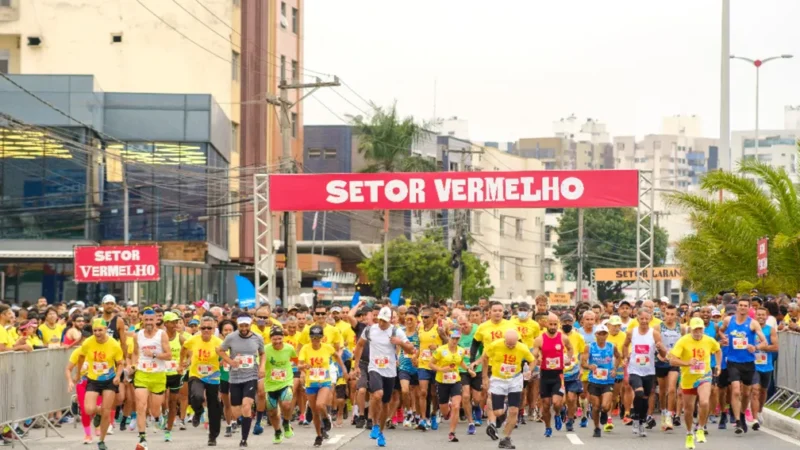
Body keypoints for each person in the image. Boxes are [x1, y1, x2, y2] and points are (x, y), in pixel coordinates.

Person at [352, 306, 414, 447]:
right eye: (380, 320)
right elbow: (359, 345)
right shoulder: (370, 330)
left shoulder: (395, 331)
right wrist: (356, 366)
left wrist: (399, 343)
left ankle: (380, 431)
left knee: (385, 403)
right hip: (374, 368)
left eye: (384, 321)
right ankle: (374, 424)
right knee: (377, 395)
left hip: (390, 371)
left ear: (390, 320)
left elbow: (411, 349)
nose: (381, 323)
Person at [668, 318, 723, 449]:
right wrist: (687, 363)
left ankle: (701, 428)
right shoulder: (683, 341)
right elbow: (672, 360)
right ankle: (689, 433)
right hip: (688, 378)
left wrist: (719, 365)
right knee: (688, 409)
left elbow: (718, 350)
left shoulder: (709, 340)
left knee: (704, 402)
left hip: (704, 375)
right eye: (695, 330)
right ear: (690, 329)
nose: (698, 332)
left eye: (700, 330)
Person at [718, 297, 769, 434]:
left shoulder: (753, 323)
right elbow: (720, 330)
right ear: (737, 307)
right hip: (733, 361)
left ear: (749, 308)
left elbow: (764, 342)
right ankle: (738, 421)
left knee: (746, 393)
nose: (742, 308)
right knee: (735, 390)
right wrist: (723, 337)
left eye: (745, 306)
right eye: (740, 305)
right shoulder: (729, 320)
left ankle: (741, 413)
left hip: (748, 362)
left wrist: (755, 346)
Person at [75, 318, 124, 450]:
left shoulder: (113, 344)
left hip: (109, 380)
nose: (97, 333)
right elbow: (80, 356)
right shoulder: (88, 343)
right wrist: (79, 374)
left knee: (106, 412)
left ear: (106, 330)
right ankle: (98, 412)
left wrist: (118, 376)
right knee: (88, 409)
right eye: (95, 330)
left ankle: (101, 440)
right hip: (93, 379)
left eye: (100, 330)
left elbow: (120, 363)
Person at [217, 314, 265, 447]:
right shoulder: (231, 337)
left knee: (246, 406)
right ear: (238, 325)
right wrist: (230, 361)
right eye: (241, 326)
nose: (244, 328)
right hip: (235, 377)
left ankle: (244, 439)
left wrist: (261, 367)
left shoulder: (257, 337)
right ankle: (246, 416)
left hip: (251, 375)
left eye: (246, 325)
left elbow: (262, 353)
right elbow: (220, 351)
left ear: (250, 325)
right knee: (237, 411)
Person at [481, 329, 534, 449]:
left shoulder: (522, 348)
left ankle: (506, 438)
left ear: (517, 341)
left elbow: (533, 360)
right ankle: (503, 407)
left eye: (513, 344)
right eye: (508, 344)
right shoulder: (495, 345)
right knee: (497, 412)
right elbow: (485, 358)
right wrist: (484, 377)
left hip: (515, 379)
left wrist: (528, 370)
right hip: (498, 379)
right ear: (504, 340)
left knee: (514, 410)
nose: (510, 347)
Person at [298, 325, 347, 447]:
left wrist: (344, 370)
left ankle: (325, 417)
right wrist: (304, 367)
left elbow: (337, 357)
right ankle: (319, 435)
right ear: (310, 337)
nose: (315, 340)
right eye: (313, 337)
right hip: (311, 382)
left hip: (324, 381)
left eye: (318, 337)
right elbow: (299, 364)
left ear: (322, 338)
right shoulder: (305, 348)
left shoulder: (327, 348)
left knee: (320, 405)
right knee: (315, 411)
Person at [622, 308, 667, 437]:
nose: (644, 321)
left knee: (646, 397)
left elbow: (662, 354)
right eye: (641, 318)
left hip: (649, 370)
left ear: (650, 319)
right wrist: (626, 357)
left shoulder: (655, 333)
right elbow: (625, 345)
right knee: (639, 392)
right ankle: (636, 418)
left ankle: (641, 421)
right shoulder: (631, 332)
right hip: (634, 369)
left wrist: (661, 348)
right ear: (637, 319)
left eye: (646, 319)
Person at [131, 308, 171, 450]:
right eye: (146, 320)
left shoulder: (162, 335)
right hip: (142, 374)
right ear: (142, 320)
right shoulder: (137, 335)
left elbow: (169, 355)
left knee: (155, 410)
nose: (148, 322)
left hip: (158, 375)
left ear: (156, 320)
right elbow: (135, 354)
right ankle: (142, 439)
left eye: (151, 320)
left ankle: (158, 416)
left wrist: (153, 354)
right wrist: (133, 365)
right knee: (140, 406)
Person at [181, 316, 223, 446]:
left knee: (214, 406)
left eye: (209, 328)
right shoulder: (193, 340)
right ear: (199, 328)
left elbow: (225, 355)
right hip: (196, 374)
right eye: (203, 328)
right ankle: (198, 411)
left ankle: (212, 436)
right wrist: (181, 362)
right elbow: (184, 348)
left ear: (214, 328)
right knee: (196, 396)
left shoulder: (218, 342)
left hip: (213, 376)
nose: (206, 330)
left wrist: (220, 363)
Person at [532, 312, 572, 438]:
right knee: (545, 404)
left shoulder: (563, 338)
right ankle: (548, 427)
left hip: (558, 375)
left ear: (558, 324)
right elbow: (534, 355)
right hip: (545, 375)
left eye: (555, 324)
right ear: (546, 324)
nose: (553, 326)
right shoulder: (539, 339)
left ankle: (558, 414)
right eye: (551, 324)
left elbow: (570, 348)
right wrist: (535, 362)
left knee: (556, 402)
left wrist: (568, 358)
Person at [430, 328, 474, 442]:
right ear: (448, 337)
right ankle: (445, 410)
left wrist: (469, 370)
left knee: (456, 406)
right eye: (453, 338)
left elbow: (461, 362)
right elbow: (431, 364)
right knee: (445, 413)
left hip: (455, 381)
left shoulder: (461, 350)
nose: (455, 341)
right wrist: (441, 369)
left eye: (457, 338)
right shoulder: (440, 350)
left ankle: (452, 433)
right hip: (442, 382)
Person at [581, 324, 622, 438]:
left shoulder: (611, 346)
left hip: (607, 380)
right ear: (596, 335)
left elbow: (618, 357)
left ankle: (604, 413)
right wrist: (589, 366)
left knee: (605, 406)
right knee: (596, 406)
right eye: (600, 334)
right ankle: (597, 427)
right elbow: (583, 362)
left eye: (604, 334)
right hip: (594, 380)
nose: (602, 336)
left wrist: (614, 369)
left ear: (607, 335)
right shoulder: (590, 347)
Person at [262, 326, 297, 445]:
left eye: (279, 339)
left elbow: (295, 360)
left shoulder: (289, 348)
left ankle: (286, 422)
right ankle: (277, 431)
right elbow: (260, 362)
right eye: (274, 339)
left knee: (286, 404)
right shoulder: (265, 349)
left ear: (283, 338)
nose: (277, 341)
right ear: (270, 339)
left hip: (285, 382)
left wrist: (298, 369)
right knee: (272, 412)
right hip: (270, 384)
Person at [656, 304, 684, 431]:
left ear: (676, 315)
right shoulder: (658, 327)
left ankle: (669, 415)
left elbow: (685, 344)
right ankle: (663, 412)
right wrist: (658, 354)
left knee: (672, 389)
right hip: (661, 362)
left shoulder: (681, 328)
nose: (670, 317)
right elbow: (653, 344)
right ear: (664, 314)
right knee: (662, 391)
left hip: (674, 362)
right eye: (667, 314)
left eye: (672, 314)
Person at [751, 307, 779, 430]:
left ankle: (760, 410)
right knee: (755, 390)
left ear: (766, 317)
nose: (761, 317)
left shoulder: (770, 330)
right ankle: (755, 418)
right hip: (753, 364)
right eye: (758, 315)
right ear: (755, 316)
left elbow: (775, 347)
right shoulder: (751, 329)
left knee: (763, 391)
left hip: (766, 364)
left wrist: (762, 348)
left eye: (763, 315)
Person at [162, 312, 186, 442]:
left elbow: (190, 352)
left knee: (173, 401)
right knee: (160, 400)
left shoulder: (181, 338)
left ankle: (168, 430)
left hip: (175, 374)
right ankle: (160, 415)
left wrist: (185, 363)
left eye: (177, 322)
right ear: (166, 324)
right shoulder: (160, 337)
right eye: (173, 322)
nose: (176, 324)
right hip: (161, 373)